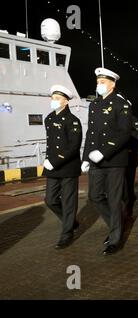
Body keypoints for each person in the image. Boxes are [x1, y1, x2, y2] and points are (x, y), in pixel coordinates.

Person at [81, 67, 132, 255]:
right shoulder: (94, 105)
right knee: (95, 196)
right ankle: (116, 226)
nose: (99, 85)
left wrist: (103, 152)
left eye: (102, 82)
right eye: (97, 82)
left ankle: (116, 239)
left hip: (114, 160)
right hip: (95, 160)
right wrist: (86, 157)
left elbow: (124, 133)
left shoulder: (121, 104)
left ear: (112, 83)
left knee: (114, 199)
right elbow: (90, 134)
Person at [43, 85, 82, 249]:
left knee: (68, 201)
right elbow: (50, 143)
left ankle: (67, 233)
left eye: (57, 98)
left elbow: (74, 146)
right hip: (52, 166)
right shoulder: (49, 119)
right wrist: (47, 159)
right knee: (50, 200)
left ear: (66, 102)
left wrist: (54, 161)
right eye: (53, 98)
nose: (54, 101)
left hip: (67, 167)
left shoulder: (73, 121)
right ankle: (70, 221)